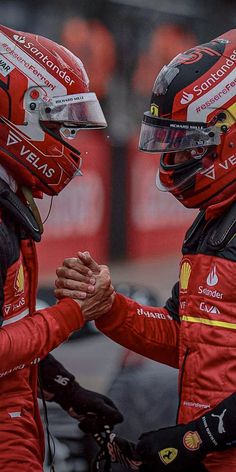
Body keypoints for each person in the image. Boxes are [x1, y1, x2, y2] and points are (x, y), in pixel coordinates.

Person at [55, 29, 236, 472]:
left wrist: (199, 436)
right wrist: (108, 306)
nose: (172, 163)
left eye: (187, 145)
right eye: (169, 146)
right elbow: (186, 339)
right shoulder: (215, 220)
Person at [0, 24, 123, 472]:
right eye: (54, 123)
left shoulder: (8, 194)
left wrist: (63, 388)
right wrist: (73, 313)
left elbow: (11, 327)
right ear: (19, 111)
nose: (65, 140)